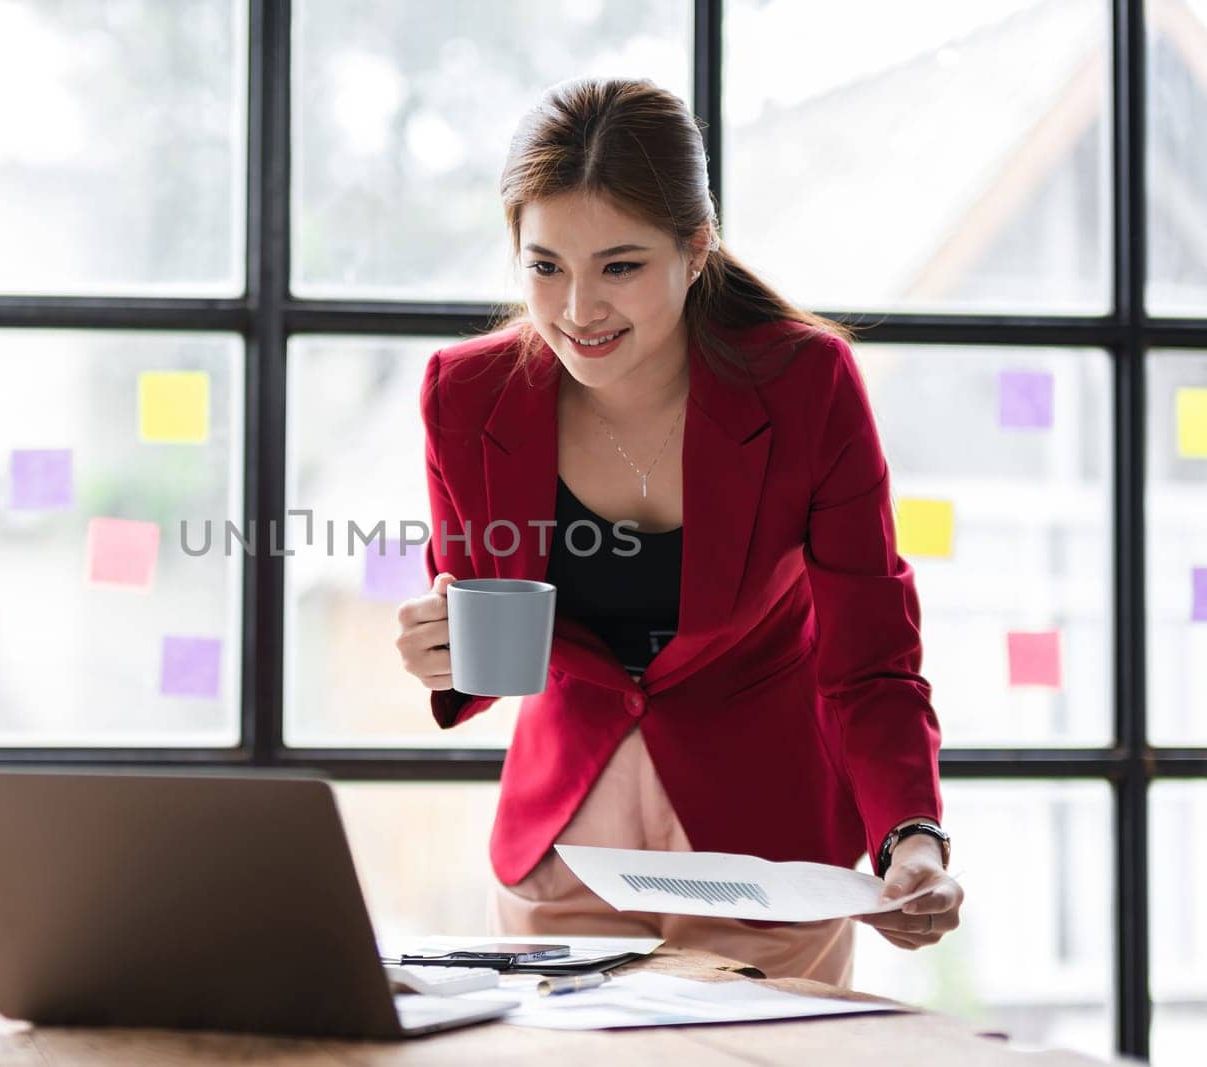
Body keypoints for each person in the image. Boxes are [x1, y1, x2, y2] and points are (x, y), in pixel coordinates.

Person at [393, 76, 962, 986]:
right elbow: (474, 611)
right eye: (546, 267)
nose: (578, 309)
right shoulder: (467, 394)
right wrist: (442, 650)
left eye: (618, 266)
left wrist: (910, 834)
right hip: (564, 842)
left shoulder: (807, 383)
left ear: (695, 249)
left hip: (763, 845)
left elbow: (871, 655)